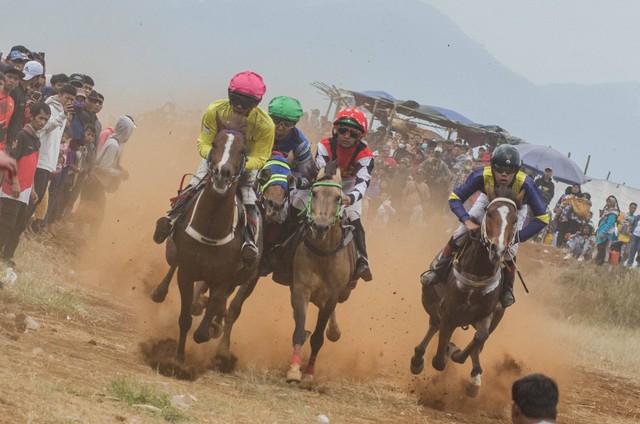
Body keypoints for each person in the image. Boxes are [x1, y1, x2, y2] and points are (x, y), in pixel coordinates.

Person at [153, 71, 275, 270]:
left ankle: (250, 242)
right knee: (194, 184)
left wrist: (240, 165)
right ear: (229, 94)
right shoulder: (215, 109)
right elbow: (203, 141)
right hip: (215, 159)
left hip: (244, 164)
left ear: (257, 103)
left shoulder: (265, 125)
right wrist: (216, 159)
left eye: (247, 102)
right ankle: (171, 219)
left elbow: (261, 157)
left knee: (249, 197)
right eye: (236, 99)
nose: (240, 106)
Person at [420, 144, 549, 308]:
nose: (504, 174)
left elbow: (543, 217)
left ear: (517, 171)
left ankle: (507, 289)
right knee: (460, 233)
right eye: (499, 168)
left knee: (509, 249)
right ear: (492, 166)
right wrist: (466, 220)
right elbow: (454, 197)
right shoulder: (480, 176)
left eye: (509, 170)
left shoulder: (527, 185)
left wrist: (517, 237)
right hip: (488, 200)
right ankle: (437, 271)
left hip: (515, 207)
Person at [304, 107, 374, 281]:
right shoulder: (324, 145)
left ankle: (362, 259)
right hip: (325, 182)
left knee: (353, 216)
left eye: (353, 134)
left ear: (360, 137)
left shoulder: (366, 155)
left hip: (349, 186)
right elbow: (322, 172)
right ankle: (282, 247)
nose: (346, 136)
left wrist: (349, 198)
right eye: (342, 130)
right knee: (299, 204)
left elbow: (363, 182)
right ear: (336, 130)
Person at [0, 102, 51, 268]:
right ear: (31, 116)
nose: (42, 122)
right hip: (12, 189)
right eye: (40, 118)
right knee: (7, 223)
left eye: (46, 119)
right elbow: (11, 160)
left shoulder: (36, 139)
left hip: (26, 190)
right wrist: (15, 183)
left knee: (19, 225)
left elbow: (33, 165)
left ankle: (7, 256)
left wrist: (33, 189)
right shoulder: (21, 135)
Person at [267, 96, 316, 186]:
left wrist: (294, 182)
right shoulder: (260, 132)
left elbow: (311, 179)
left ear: (294, 124)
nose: (280, 128)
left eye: (287, 124)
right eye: (276, 121)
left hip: (290, 178)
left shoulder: (301, 145)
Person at [594, 195, 620, 266]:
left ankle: (600, 262)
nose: (608, 203)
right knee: (600, 246)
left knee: (602, 247)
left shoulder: (613, 213)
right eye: (607, 201)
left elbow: (610, 223)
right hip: (601, 230)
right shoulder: (607, 211)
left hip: (606, 232)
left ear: (613, 203)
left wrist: (604, 232)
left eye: (610, 201)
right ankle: (598, 261)